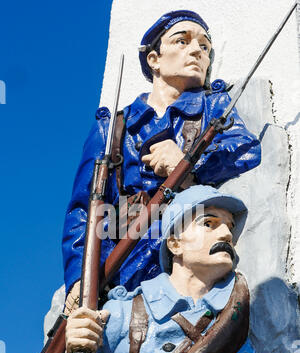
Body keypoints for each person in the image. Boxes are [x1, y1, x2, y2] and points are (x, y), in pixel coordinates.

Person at [65, 185, 299, 353]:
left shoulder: (228, 321)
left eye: (230, 227)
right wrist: (83, 352)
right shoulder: (125, 312)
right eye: (209, 223)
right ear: (174, 243)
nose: (226, 234)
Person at [62, 10, 262, 316]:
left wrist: (187, 165)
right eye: (182, 41)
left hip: (190, 257)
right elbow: (84, 210)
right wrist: (79, 279)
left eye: (205, 47)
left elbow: (246, 150)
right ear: (154, 59)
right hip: (123, 264)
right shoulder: (114, 127)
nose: (197, 50)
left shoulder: (214, 106)